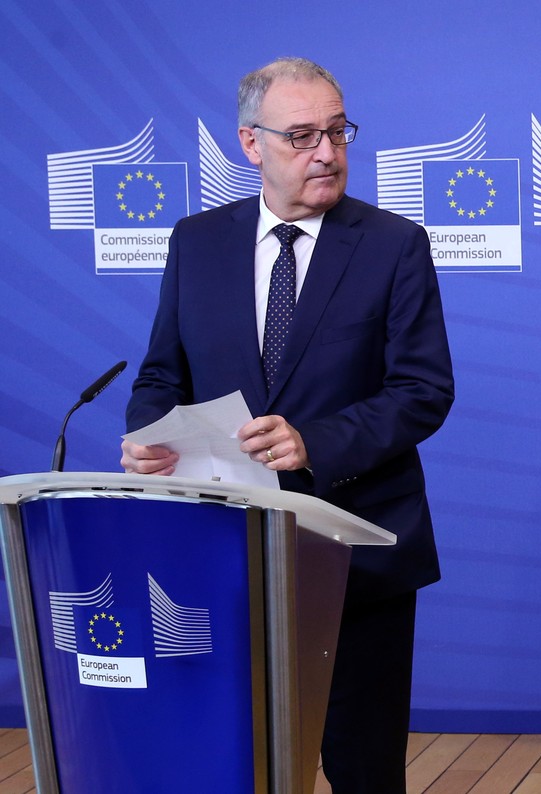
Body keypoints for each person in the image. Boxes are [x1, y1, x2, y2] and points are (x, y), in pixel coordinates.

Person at [120, 57, 454, 793]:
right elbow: (160, 378)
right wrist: (150, 434)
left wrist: (315, 443)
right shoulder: (196, 242)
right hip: (221, 556)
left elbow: (423, 391)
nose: (327, 152)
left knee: (364, 769)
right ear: (251, 143)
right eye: (302, 136)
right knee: (230, 759)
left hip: (356, 552)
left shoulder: (394, 245)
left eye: (338, 132)